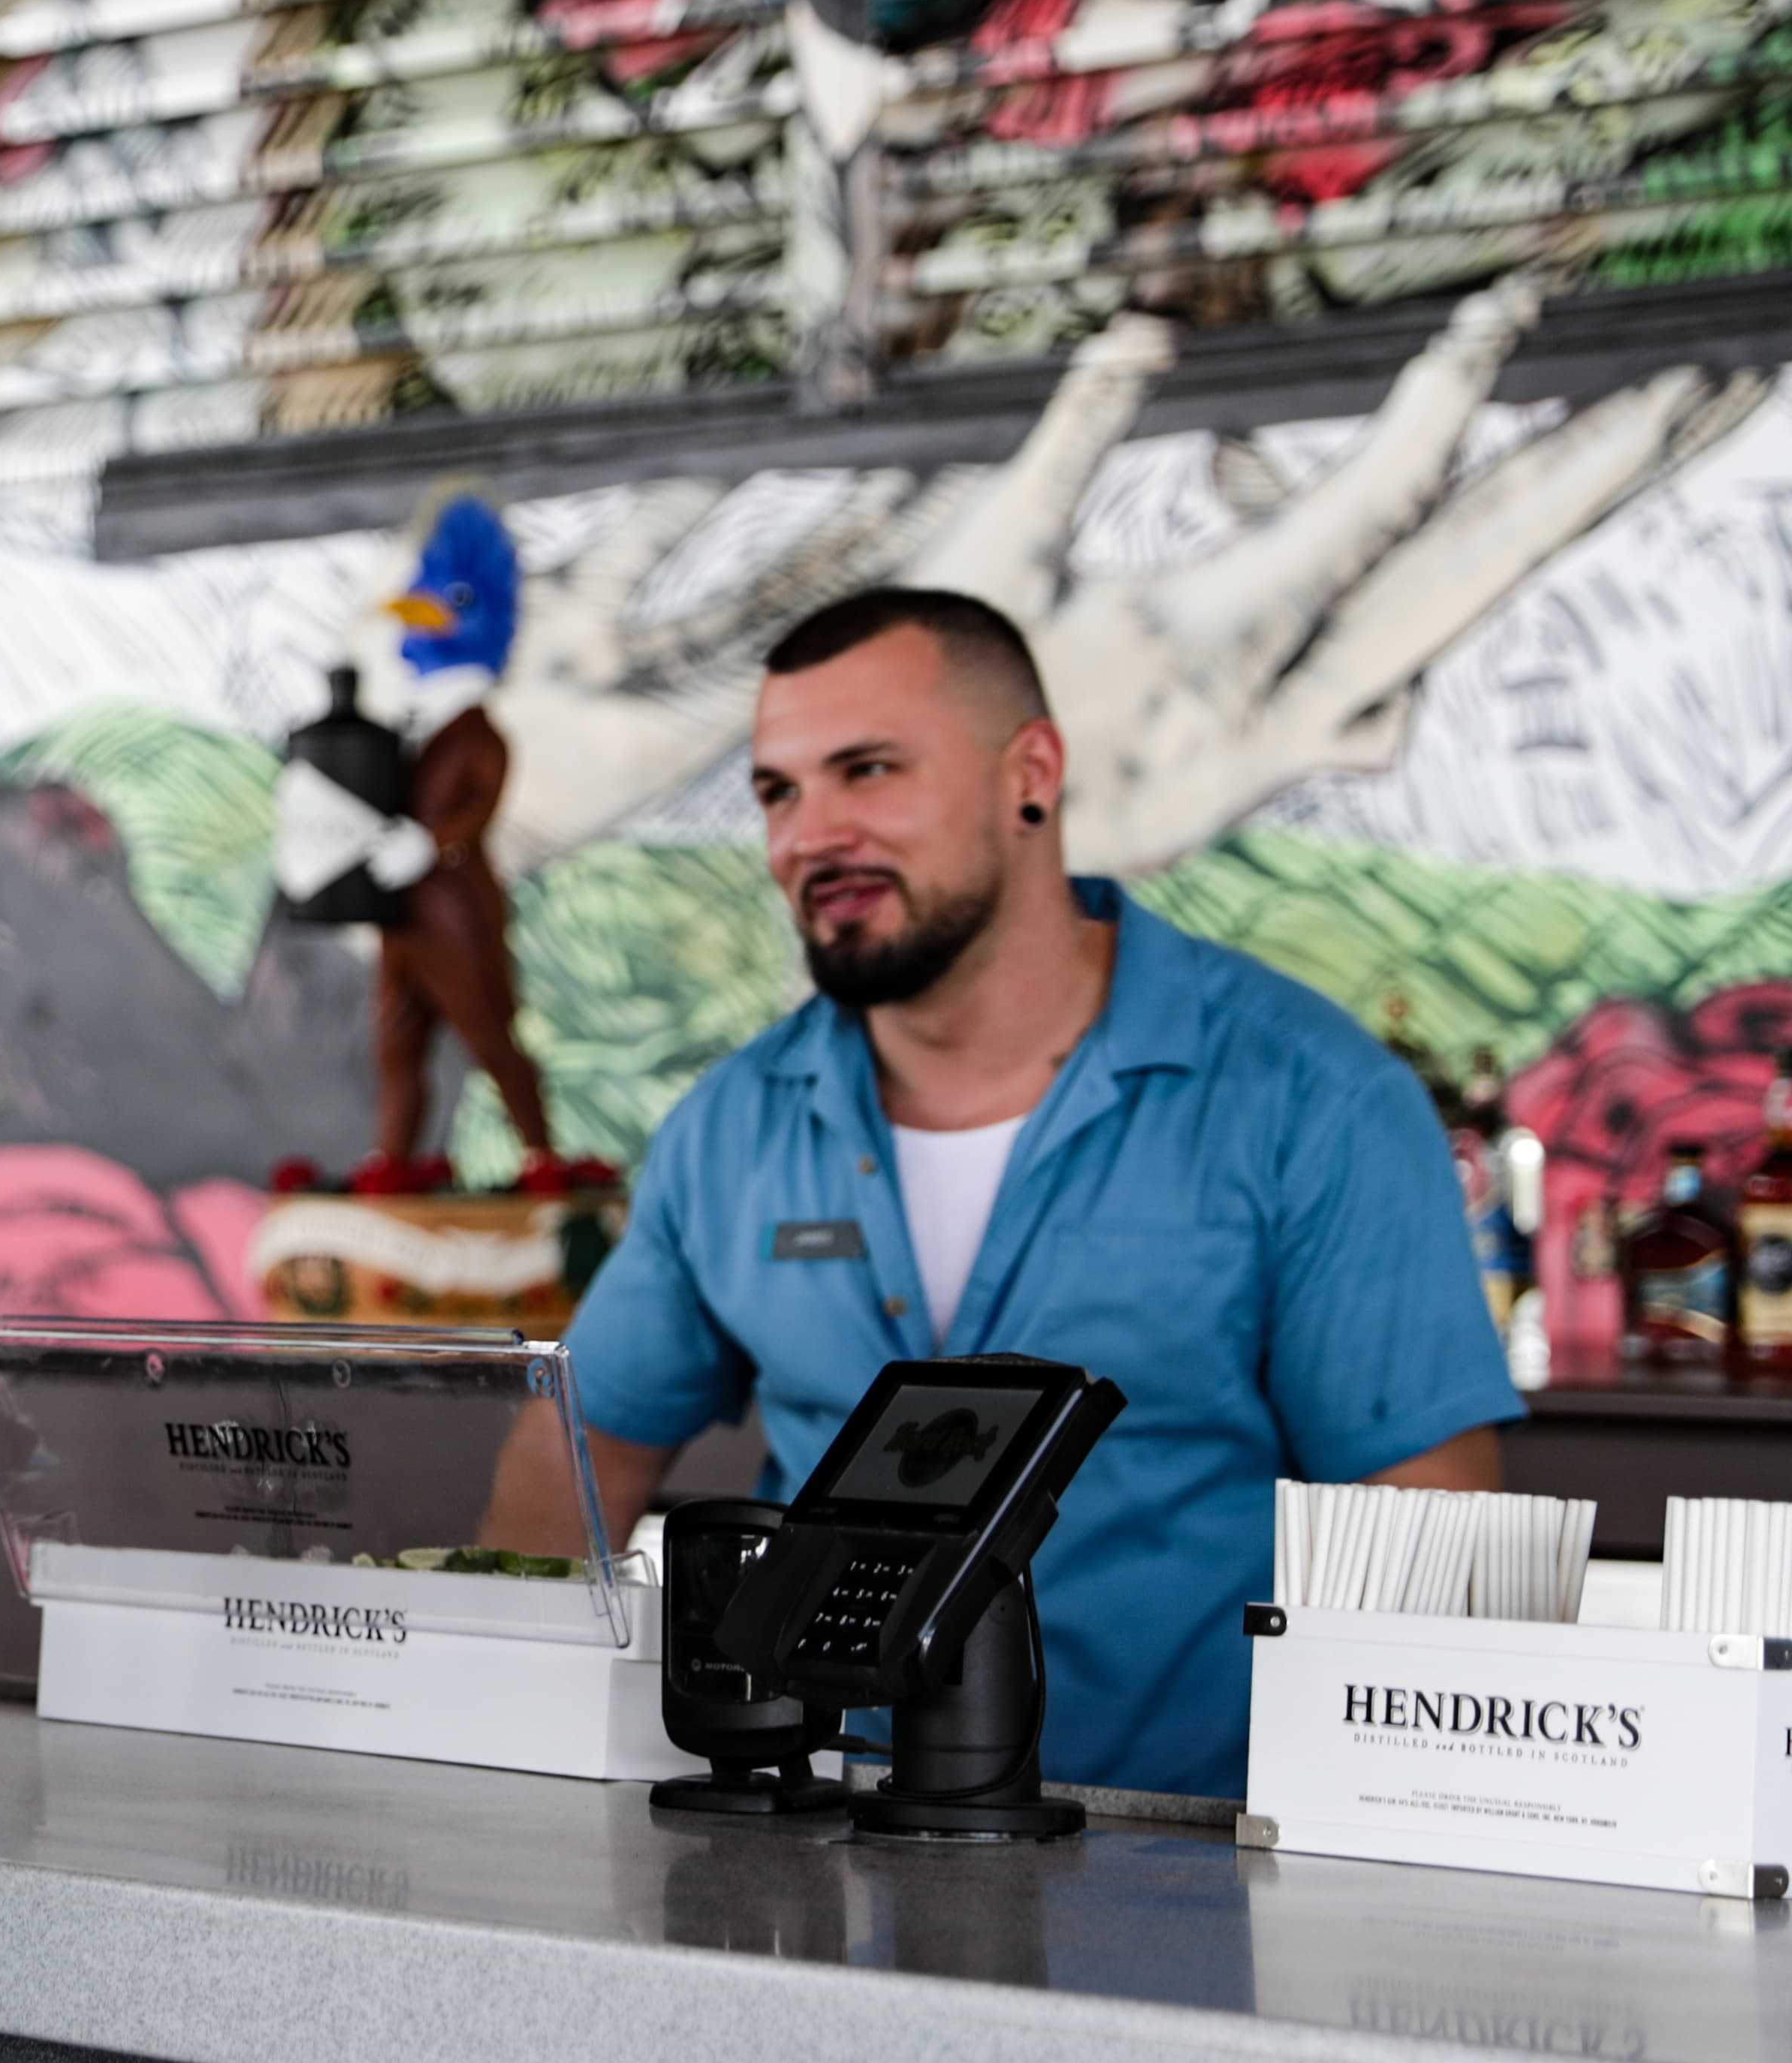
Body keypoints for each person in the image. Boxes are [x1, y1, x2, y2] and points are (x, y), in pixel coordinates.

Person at [566, 587, 1517, 1799]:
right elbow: (569, 1469)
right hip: (823, 1859)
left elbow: (1430, 1535)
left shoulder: (1309, 1096)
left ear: (1031, 773)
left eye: (867, 769)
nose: (810, 833)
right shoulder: (729, 1123)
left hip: (1188, 1873)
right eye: (777, 791)